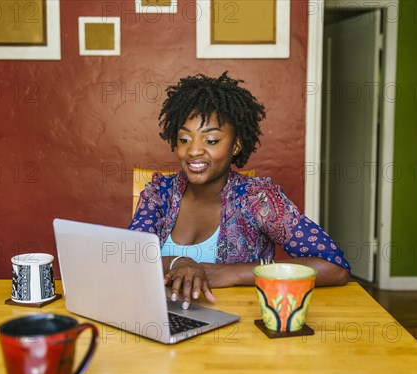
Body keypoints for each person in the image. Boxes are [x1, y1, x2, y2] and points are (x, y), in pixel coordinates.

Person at [129, 72, 350, 309]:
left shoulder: (258, 199)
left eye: (211, 140)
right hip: (163, 319)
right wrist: (178, 262)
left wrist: (231, 273)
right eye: (184, 139)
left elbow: (333, 268)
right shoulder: (159, 193)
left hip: (238, 327)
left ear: (236, 145)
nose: (193, 151)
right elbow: (129, 258)